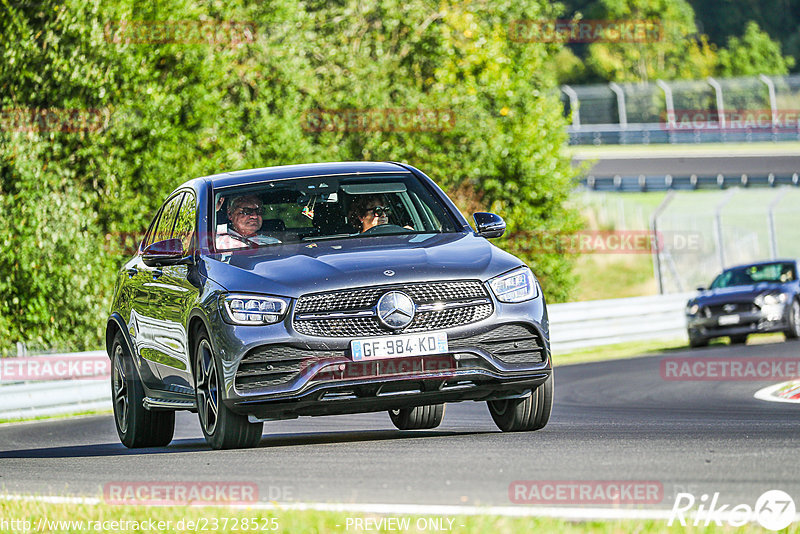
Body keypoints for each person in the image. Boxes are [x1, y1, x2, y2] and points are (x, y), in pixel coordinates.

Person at [215, 194, 280, 249]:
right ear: (230, 214)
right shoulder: (215, 241)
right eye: (247, 211)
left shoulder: (274, 244)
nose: (255, 216)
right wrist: (212, 211)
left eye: (259, 211)